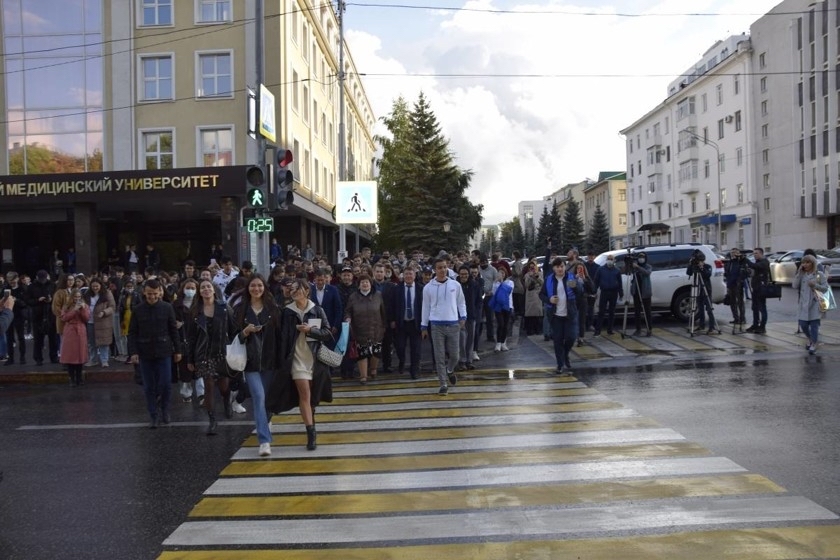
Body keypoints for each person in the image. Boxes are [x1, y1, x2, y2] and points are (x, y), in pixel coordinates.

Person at [272, 280, 333, 450]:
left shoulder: (316, 309)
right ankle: (311, 433)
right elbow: (281, 338)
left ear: (306, 291)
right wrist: (281, 361)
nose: (294, 291)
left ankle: (310, 419)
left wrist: (311, 331)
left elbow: (328, 333)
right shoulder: (287, 312)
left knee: (312, 398)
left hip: (315, 360)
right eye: (292, 289)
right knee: (304, 396)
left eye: (297, 289)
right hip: (296, 359)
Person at [230, 274, 279, 457]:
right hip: (250, 361)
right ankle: (264, 440)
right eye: (253, 286)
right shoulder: (240, 310)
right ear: (247, 288)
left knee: (266, 400)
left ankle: (265, 421)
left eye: (259, 285)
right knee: (258, 397)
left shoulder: (273, 309)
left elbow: (279, 336)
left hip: (270, 360)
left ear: (264, 288)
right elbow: (234, 336)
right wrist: (245, 332)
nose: (256, 289)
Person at [128, 278, 183, 429]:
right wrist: (133, 352)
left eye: (154, 293)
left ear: (160, 292)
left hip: (164, 351)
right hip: (145, 352)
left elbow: (173, 330)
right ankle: (153, 414)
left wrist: (177, 350)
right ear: (144, 293)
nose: (152, 296)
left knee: (165, 384)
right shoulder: (138, 309)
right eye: (149, 293)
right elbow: (132, 332)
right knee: (149, 386)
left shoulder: (167, 308)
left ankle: (165, 410)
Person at [186, 279, 234, 435]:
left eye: (208, 287)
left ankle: (227, 399)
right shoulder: (195, 311)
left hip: (222, 352)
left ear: (214, 290)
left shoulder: (224, 308)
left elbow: (233, 330)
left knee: (224, 386)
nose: (206, 289)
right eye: (203, 287)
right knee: (209, 386)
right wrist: (190, 359)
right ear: (200, 292)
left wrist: (236, 351)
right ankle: (212, 420)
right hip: (204, 354)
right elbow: (191, 337)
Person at [421, 258, 467, 395]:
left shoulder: (455, 285)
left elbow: (461, 302)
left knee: (455, 355)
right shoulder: (428, 287)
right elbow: (425, 307)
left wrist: (463, 316)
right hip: (436, 325)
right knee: (439, 356)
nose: (442, 270)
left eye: (444, 267)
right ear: (435, 270)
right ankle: (443, 384)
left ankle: (450, 370)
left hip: (453, 324)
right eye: (439, 268)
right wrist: (424, 326)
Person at [540, 257, 583, 375]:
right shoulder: (549, 279)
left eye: (562, 266)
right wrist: (549, 299)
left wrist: (576, 285)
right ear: (553, 268)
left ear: (565, 267)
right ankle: (560, 364)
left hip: (570, 314)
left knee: (571, 337)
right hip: (555, 315)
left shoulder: (570, 277)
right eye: (558, 267)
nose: (560, 269)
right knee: (557, 340)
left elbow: (580, 292)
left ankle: (565, 354)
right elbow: (542, 295)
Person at [344, 273, 386, 385]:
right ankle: (363, 375)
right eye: (362, 282)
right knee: (362, 352)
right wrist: (348, 318)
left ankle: (373, 369)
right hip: (359, 328)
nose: (365, 284)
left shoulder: (378, 295)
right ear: (359, 285)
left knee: (375, 351)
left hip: (376, 328)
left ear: (371, 284)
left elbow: (383, 312)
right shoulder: (353, 297)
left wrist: (384, 325)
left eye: (367, 282)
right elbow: (348, 311)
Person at [175, 279, 205, 404]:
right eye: (188, 287)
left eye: (193, 288)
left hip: (198, 341)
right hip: (182, 340)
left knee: (199, 369)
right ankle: (186, 393)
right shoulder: (176, 305)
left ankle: (202, 394)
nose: (190, 290)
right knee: (184, 370)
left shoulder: (201, 304)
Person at [792, 254, 828, 354]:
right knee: (803, 325)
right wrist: (799, 273)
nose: (805, 264)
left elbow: (825, 288)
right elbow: (794, 285)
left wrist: (815, 285)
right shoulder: (802, 275)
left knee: (814, 325)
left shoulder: (818, 274)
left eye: (808, 262)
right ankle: (811, 339)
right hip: (803, 304)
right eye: (804, 262)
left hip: (815, 304)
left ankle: (813, 344)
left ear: (813, 263)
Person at [25, 270, 59, 365]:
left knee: (53, 339)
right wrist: (37, 300)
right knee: (38, 339)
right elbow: (27, 300)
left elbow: (57, 298)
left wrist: (51, 299)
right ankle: (38, 358)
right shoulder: (31, 287)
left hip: (50, 314)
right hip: (38, 315)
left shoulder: (52, 285)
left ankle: (54, 357)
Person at [60, 289, 90, 387]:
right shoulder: (66, 306)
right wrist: (74, 310)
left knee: (80, 355)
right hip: (70, 330)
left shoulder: (85, 306)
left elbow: (86, 318)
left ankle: (79, 377)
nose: (77, 299)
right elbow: (64, 318)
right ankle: (71, 378)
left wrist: (83, 309)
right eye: (75, 297)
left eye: (79, 297)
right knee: (71, 356)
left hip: (80, 330)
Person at [83, 278, 116, 367]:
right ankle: (93, 359)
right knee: (91, 342)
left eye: (97, 286)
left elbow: (112, 307)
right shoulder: (87, 294)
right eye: (93, 286)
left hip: (103, 321)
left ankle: (104, 360)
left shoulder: (107, 293)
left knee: (104, 342)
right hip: (90, 321)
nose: (95, 288)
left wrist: (104, 312)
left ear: (100, 286)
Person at [456, 265, 481, 371]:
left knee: (470, 339)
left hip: (471, 315)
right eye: (462, 274)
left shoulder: (475, 284)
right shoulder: (455, 285)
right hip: (459, 317)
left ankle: (469, 361)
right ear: (459, 274)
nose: (464, 276)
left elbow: (479, 300)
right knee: (461, 339)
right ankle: (462, 361)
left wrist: (476, 312)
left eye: (466, 274)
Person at [593, 255, 623, 336]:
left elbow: (620, 283)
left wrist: (621, 293)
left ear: (614, 261)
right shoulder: (601, 269)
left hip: (614, 292)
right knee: (601, 312)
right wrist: (594, 291)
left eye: (611, 259)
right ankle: (597, 330)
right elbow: (596, 281)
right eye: (608, 259)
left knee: (612, 312)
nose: (610, 261)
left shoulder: (617, 270)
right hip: (604, 292)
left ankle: (610, 329)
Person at [3, 272, 28, 365]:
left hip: (19, 315)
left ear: (17, 279)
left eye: (13, 280)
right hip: (8, 315)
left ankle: (22, 357)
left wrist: (15, 300)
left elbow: (25, 303)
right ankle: (11, 358)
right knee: (9, 338)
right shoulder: (6, 289)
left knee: (21, 337)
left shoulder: (23, 289)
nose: (11, 283)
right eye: (9, 281)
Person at [489, 266, 514, 352]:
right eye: (499, 273)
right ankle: (498, 342)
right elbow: (494, 293)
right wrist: (497, 282)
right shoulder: (495, 283)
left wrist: (501, 282)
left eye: (503, 273)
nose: (501, 275)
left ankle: (503, 342)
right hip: (498, 306)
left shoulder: (510, 282)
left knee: (506, 325)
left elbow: (508, 291)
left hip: (508, 305)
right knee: (501, 324)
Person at [746, 248, 771, 334]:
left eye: (756, 253)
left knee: (762, 308)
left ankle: (762, 327)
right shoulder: (758, 262)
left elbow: (755, 266)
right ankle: (755, 324)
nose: (755, 255)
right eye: (754, 253)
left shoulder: (764, 262)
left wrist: (746, 260)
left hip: (761, 289)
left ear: (761, 253)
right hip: (755, 288)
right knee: (755, 308)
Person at [628, 252, 653, 336]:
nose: (641, 258)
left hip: (645, 291)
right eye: (639, 257)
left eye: (642, 257)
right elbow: (627, 272)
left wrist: (638, 267)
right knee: (637, 311)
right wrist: (629, 264)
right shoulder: (634, 266)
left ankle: (649, 329)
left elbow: (647, 273)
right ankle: (638, 329)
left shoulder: (648, 266)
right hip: (637, 292)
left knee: (647, 311)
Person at [724, 249, 749, 326]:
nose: (733, 254)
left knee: (740, 302)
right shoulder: (729, 262)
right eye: (732, 253)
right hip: (730, 284)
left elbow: (746, 273)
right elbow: (727, 273)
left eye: (735, 253)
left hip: (738, 284)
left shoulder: (740, 262)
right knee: (732, 302)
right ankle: (736, 318)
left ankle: (742, 318)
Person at [572, 262, 595, 346]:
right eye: (578, 269)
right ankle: (574, 336)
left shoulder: (587, 278)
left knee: (582, 320)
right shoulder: (573, 277)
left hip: (583, 300)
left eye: (581, 269)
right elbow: (569, 287)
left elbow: (592, 289)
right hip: (574, 300)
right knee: (574, 320)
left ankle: (581, 338)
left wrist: (585, 280)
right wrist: (575, 278)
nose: (579, 270)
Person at [522, 260, 544, 336]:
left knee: (538, 314)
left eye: (533, 267)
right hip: (530, 297)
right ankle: (530, 330)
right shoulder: (527, 275)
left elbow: (542, 283)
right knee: (530, 315)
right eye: (530, 267)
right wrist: (531, 277)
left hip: (538, 296)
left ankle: (538, 329)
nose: (532, 269)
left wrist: (537, 277)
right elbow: (527, 285)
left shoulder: (540, 274)